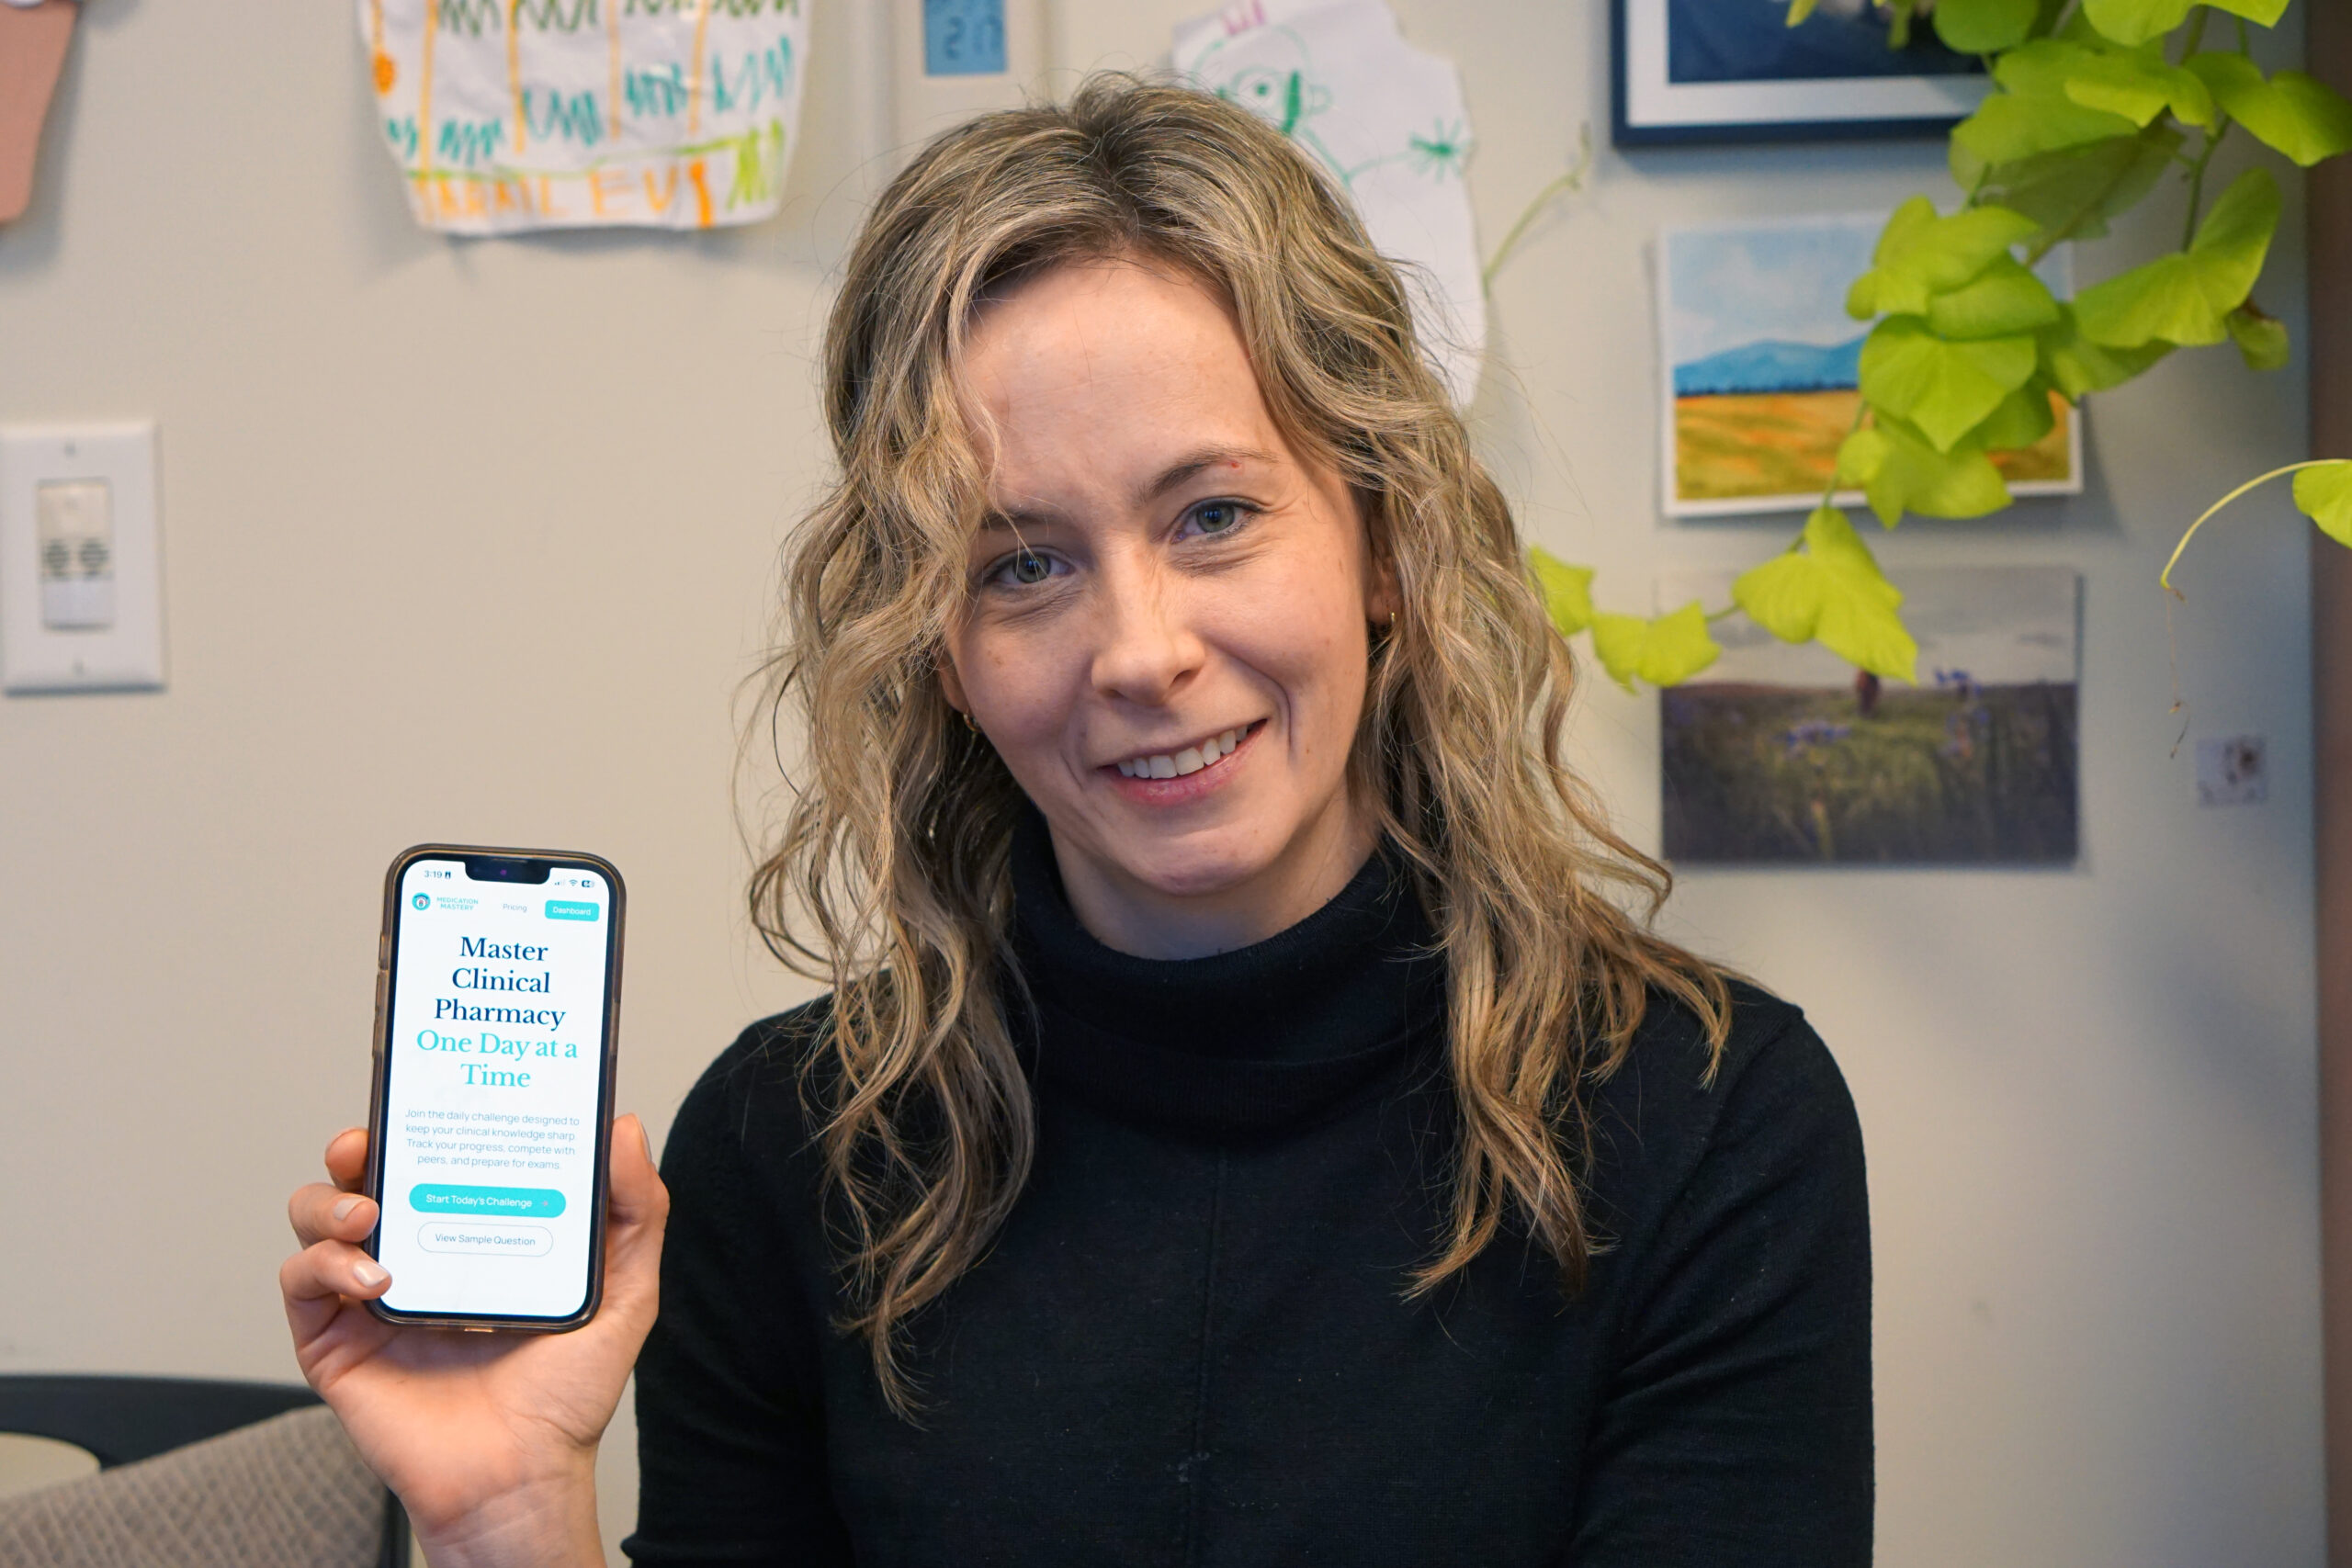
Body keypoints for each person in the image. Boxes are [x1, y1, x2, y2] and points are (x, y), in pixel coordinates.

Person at [281, 74, 1871, 1567]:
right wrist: (512, 1511)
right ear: (939, 647)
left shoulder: (1710, 1121)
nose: (1142, 651)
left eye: (1216, 516)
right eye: (1021, 563)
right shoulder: (791, 1151)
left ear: (1382, 550)